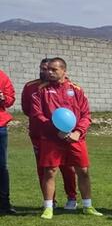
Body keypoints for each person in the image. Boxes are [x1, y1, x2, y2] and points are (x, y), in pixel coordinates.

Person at [30, 57, 103, 219]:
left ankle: (87, 206)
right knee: (50, 171)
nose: (49, 72)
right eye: (48, 69)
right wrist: (56, 130)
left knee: (83, 171)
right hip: (51, 138)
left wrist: (78, 132)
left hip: (76, 138)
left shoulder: (76, 90)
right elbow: (37, 115)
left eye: (54, 69)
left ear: (64, 71)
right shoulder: (40, 91)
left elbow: (86, 115)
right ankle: (48, 208)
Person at [22, 59, 77, 210]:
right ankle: (50, 201)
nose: (46, 72)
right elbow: (27, 110)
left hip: (63, 134)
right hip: (39, 134)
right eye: (43, 69)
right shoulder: (31, 87)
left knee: (68, 167)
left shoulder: (69, 86)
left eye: (49, 69)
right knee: (44, 168)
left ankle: (72, 197)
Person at [0, 66, 14, 214]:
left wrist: (4, 98)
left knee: (2, 166)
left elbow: (10, 99)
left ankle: (4, 204)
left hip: (0, 126)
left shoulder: (2, 76)